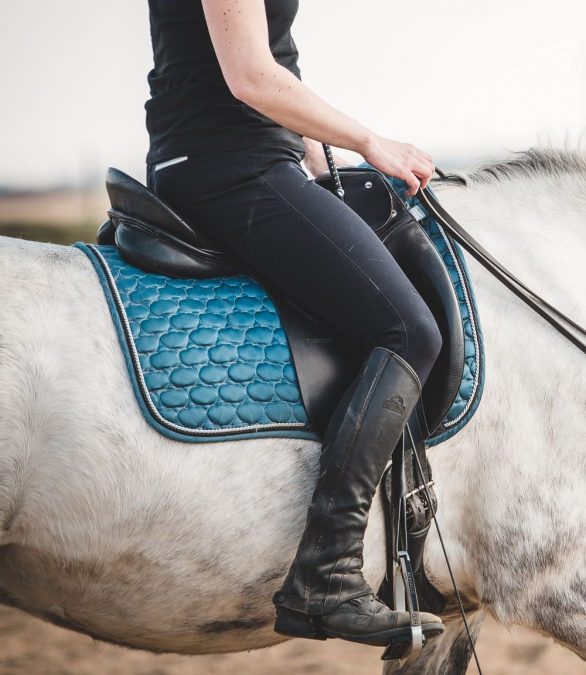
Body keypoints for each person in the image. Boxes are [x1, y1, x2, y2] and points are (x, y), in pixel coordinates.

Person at [143, 0, 445, 646]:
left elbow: (275, 63)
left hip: (244, 156)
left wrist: (321, 158)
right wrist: (368, 139)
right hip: (230, 166)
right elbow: (250, 75)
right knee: (408, 330)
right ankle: (327, 569)